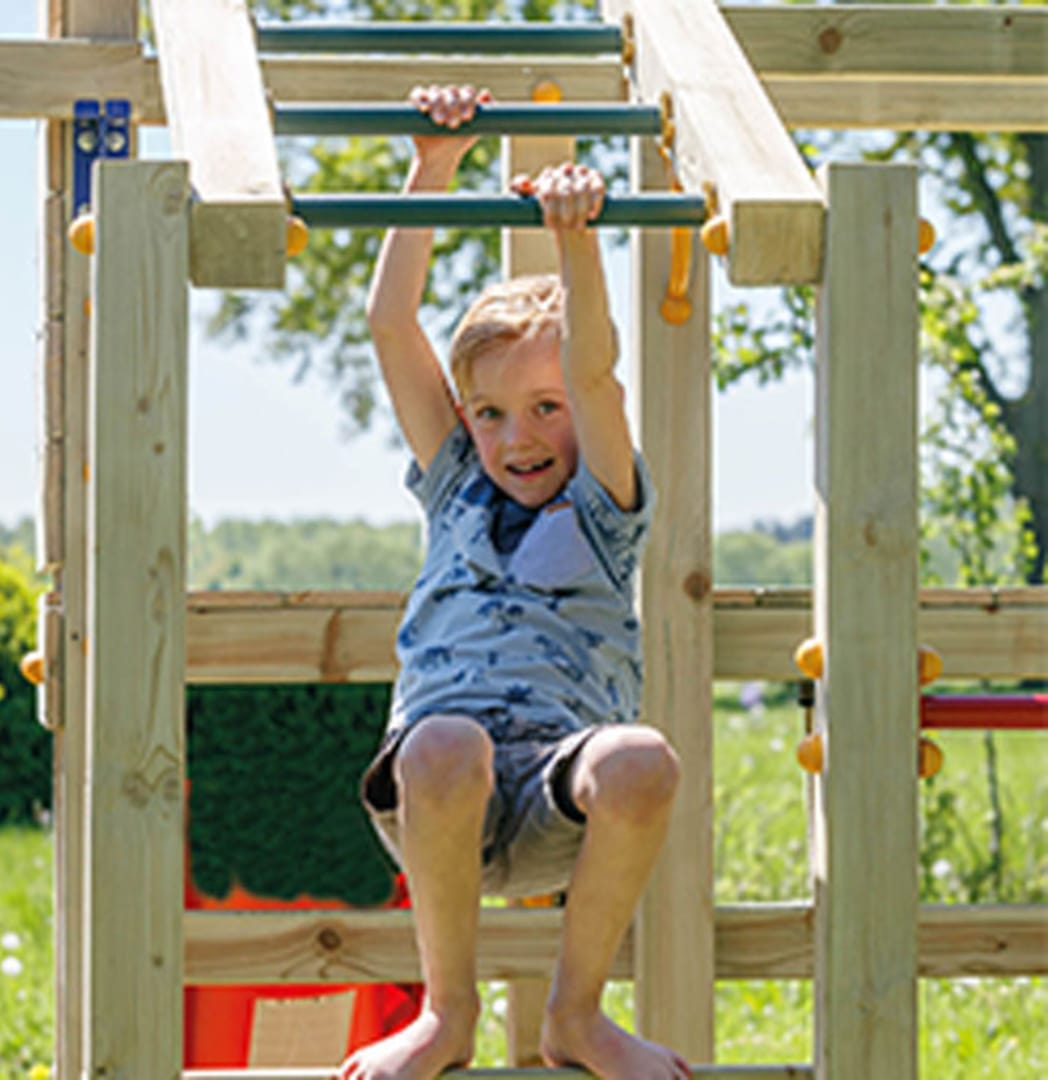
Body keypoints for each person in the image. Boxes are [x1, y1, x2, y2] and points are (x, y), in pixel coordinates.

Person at [342, 84, 691, 1080]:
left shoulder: (601, 509)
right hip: (437, 794)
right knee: (447, 740)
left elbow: (596, 376)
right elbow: (389, 322)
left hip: (556, 797)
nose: (516, 436)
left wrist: (575, 240)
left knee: (643, 760)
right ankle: (445, 1014)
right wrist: (431, 167)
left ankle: (575, 1016)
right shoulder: (453, 484)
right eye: (489, 412)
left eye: (543, 408)